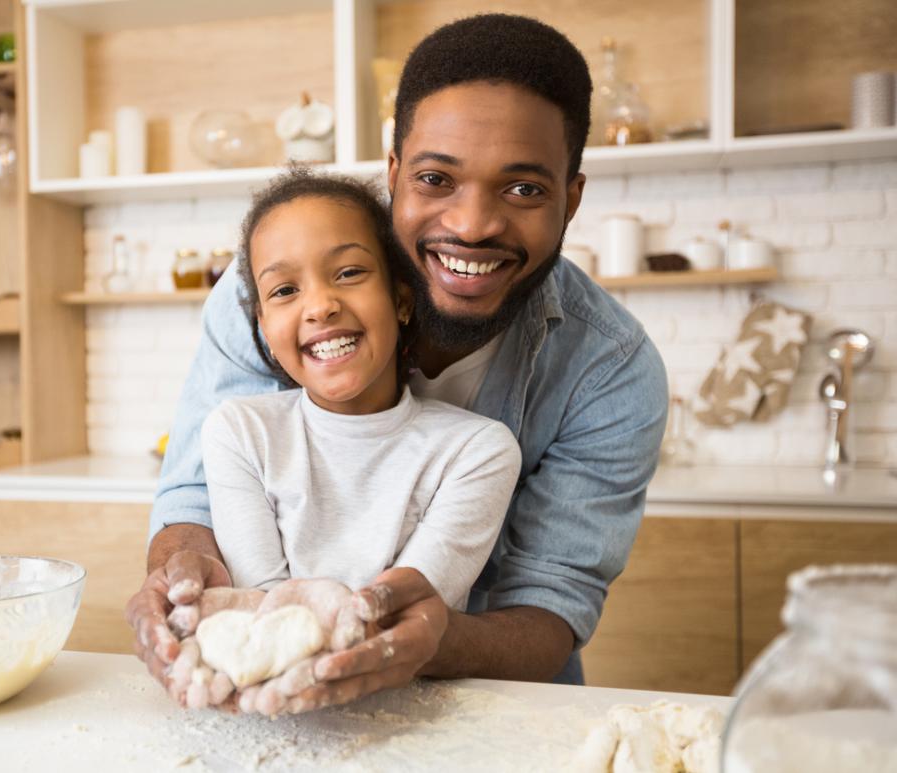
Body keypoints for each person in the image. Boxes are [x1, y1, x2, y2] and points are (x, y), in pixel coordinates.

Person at [127, 13, 668, 714]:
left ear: (571, 198)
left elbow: (550, 609)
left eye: (525, 189)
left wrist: (428, 640)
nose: (472, 224)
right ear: (394, 175)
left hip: (495, 709)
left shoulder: (610, 371)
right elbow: (193, 502)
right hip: (268, 709)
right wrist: (182, 576)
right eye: (437, 178)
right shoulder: (263, 301)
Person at [164, 169, 521, 713]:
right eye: (285, 290)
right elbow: (264, 604)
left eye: (349, 272)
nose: (319, 306)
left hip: (421, 712)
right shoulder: (240, 432)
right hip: (277, 716)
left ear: (402, 300)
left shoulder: (476, 452)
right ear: (263, 328)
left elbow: (404, 610)